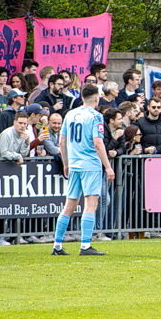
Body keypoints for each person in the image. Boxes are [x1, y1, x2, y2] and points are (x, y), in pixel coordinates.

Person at [51, 84, 115, 256]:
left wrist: (66, 163)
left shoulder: (70, 114)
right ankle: (85, 245)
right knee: (90, 204)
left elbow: (62, 142)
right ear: (96, 98)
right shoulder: (96, 116)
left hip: (74, 164)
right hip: (90, 164)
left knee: (69, 205)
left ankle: (57, 245)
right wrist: (108, 166)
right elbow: (97, 142)